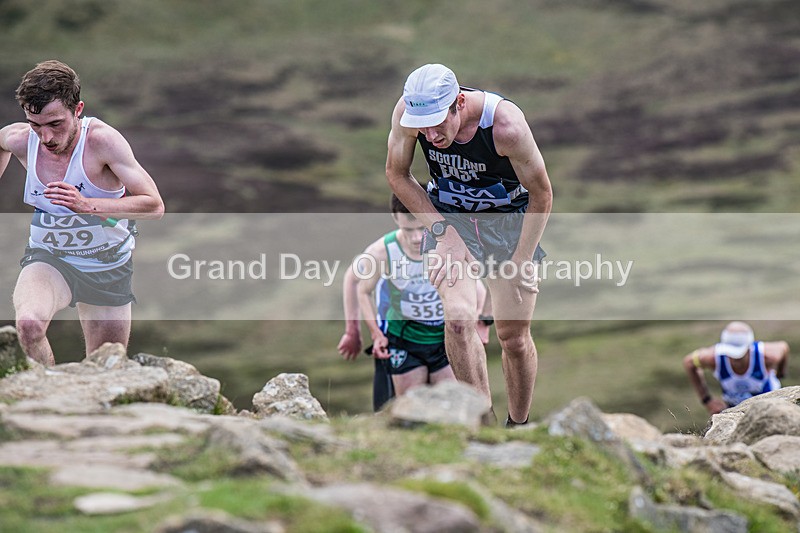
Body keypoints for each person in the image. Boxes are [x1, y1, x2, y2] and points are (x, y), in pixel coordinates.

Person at [385, 63, 552, 426]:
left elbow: (541, 194)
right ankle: (483, 426)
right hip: (449, 218)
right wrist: (444, 232)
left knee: (513, 337)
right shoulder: (406, 114)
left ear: (459, 103)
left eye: (437, 122)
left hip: (510, 223)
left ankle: (518, 426)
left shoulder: (506, 126)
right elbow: (397, 174)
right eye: (421, 125)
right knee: (459, 321)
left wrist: (523, 259)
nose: (429, 134)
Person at [0, 60, 164, 366]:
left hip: (106, 265)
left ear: (78, 110)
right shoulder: (23, 139)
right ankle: (47, 399)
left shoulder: (102, 141)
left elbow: (153, 205)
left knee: (104, 368)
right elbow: (2, 140)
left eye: (55, 124)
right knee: (29, 326)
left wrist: (88, 205)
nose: (46, 137)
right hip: (49, 257)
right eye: (36, 125)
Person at [353, 194, 492, 397]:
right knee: (411, 408)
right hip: (404, 339)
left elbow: (479, 289)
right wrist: (376, 334)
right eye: (408, 230)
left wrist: (479, 324)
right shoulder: (382, 251)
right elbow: (363, 291)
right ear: (395, 218)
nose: (417, 238)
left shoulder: (447, 247)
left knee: (451, 405)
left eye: (421, 228)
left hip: (444, 340)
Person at [683, 321, 790, 414]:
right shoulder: (713, 357)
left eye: (739, 356)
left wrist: (780, 373)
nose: (734, 359)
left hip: (770, 405)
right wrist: (707, 400)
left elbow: (784, 347)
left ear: (749, 347)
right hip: (732, 408)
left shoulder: (768, 356)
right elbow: (689, 363)